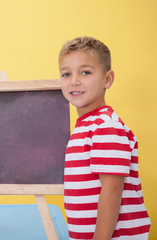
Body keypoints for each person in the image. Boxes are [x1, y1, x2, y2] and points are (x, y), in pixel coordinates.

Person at [59, 36, 151, 239]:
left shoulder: (104, 127)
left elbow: (112, 191)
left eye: (85, 72)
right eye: (66, 74)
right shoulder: (86, 126)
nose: (74, 80)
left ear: (107, 79)